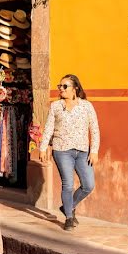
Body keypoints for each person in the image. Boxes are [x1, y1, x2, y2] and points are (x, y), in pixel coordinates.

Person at [40, 74, 100, 231]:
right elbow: (49, 128)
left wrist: (94, 151)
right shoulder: (56, 106)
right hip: (62, 150)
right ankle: (68, 217)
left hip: (82, 151)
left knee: (88, 185)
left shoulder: (86, 106)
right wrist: (43, 146)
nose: (61, 89)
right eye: (59, 86)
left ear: (75, 88)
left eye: (64, 86)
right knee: (68, 184)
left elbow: (94, 129)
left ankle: (68, 206)